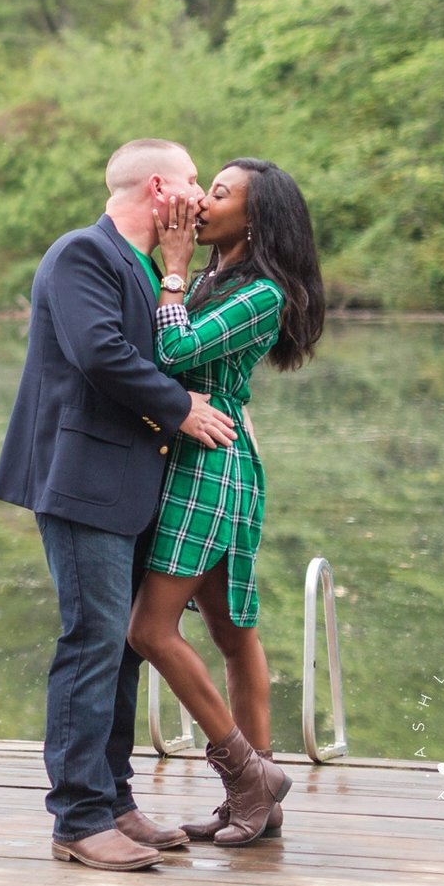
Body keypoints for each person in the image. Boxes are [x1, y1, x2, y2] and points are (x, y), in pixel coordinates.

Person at [0, 139, 241, 873]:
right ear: (160, 186)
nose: (200, 193)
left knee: (124, 644)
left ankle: (116, 801)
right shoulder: (82, 255)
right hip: (81, 481)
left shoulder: (144, 264)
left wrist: (174, 272)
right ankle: (77, 817)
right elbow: (100, 353)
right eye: (194, 180)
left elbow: (161, 343)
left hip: (133, 483)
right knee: (92, 639)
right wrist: (181, 408)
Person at [125, 158, 327, 846]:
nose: (202, 202)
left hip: (209, 467)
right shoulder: (221, 278)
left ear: (256, 216)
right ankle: (261, 801)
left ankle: (247, 779)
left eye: (219, 193)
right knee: (230, 634)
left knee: (150, 631)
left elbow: (176, 351)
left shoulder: (265, 293)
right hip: (200, 457)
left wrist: (172, 266)